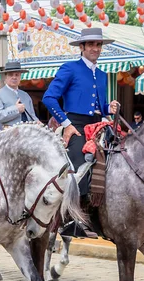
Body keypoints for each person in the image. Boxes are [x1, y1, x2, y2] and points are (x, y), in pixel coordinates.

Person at [42, 27, 120, 238]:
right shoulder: (70, 68)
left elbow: (98, 105)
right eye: (91, 44)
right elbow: (49, 98)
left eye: (98, 45)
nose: (95, 48)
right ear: (82, 47)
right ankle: (69, 220)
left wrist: (108, 108)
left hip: (97, 125)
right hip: (75, 124)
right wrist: (66, 123)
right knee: (80, 168)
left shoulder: (103, 75)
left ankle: (102, 216)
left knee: (117, 159)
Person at [0, 61, 39, 127]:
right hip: (7, 135)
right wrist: (16, 109)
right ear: (6, 77)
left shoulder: (26, 95)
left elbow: (32, 116)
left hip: (28, 134)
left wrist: (38, 123)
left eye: (17, 75)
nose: (14, 77)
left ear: (20, 77)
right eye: (11, 75)